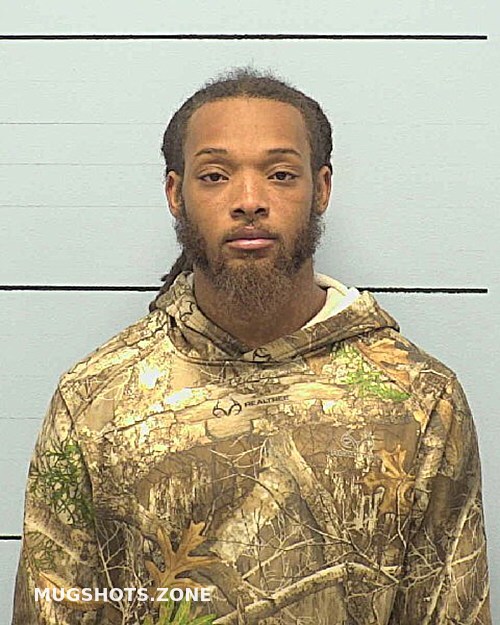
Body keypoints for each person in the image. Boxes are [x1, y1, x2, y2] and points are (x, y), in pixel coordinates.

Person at [12, 68, 491, 625]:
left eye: (281, 175)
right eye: (215, 176)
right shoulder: (96, 398)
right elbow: (54, 608)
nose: (248, 201)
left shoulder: (420, 399)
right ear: (175, 194)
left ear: (321, 189)